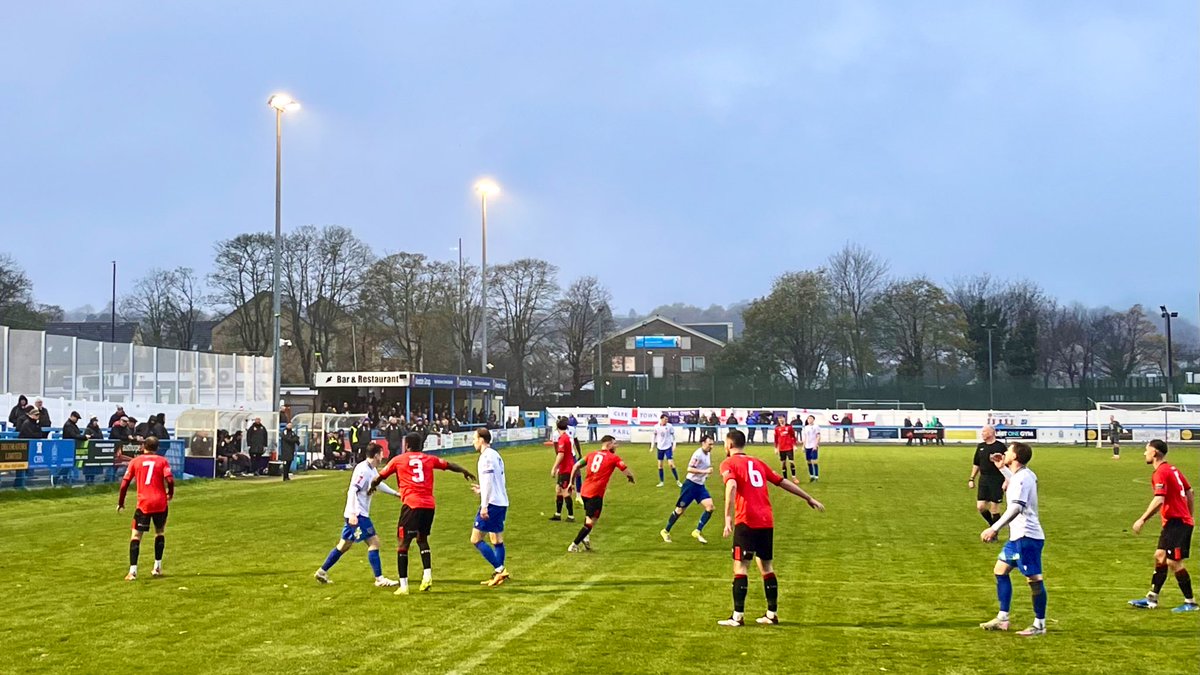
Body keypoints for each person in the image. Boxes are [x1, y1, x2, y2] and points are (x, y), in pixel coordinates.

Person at [717, 429, 824, 627]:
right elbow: (782, 482)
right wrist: (808, 497)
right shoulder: (757, 462)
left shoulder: (729, 463)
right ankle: (771, 613)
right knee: (766, 566)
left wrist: (728, 517)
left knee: (741, 566)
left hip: (746, 520)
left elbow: (731, 485)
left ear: (729, 445)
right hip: (766, 520)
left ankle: (737, 617)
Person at [370, 432, 475, 594]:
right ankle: (427, 576)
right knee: (422, 539)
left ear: (407, 445)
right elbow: (449, 465)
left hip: (411, 504)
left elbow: (380, 476)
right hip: (429, 505)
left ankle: (403, 586)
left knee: (402, 544)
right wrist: (464, 471)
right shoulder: (429, 459)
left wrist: (372, 486)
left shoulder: (399, 460)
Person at [979, 442, 1048, 636]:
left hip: (1027, 536)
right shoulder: (1024, 475)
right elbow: (1016, 482)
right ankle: (1003, 618)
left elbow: (1016, 507)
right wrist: (1002, 469)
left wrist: (994, 528)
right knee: (1000, 570)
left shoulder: (1022, 478)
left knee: (1034, 579)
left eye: (1008, 450)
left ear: (1015, 457)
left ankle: (1040, 624)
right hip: (1017, 536)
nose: (1005, 452)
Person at [314, 442, 401, 587]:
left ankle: (322, 571)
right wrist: (354, 513)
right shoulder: (363, 470)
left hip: (355, 514)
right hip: (358, 515)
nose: (383, 457)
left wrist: (395, 494)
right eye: (381, 454)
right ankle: (379, 579)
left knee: (344, 545)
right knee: (374, 542)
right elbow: (352, 490)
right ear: (376, 455)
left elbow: (378, 484)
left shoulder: (371, 469)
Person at [1128, 439, 1197, 612]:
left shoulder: (1161, 472)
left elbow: (1159, 499)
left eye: (1147, 450)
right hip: (1176, 522)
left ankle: (1190, 602)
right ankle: (1152, 599)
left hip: (1177, 522)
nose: (1144, 453)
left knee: (1174, 562)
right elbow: (1190, 492)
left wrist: (1142, 519)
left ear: (1155, 453)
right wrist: (1190, 515)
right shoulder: (1173, 469)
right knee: (1160, 556)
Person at [117, 437, 174, 580]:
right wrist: (170, 493)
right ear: (157, 448)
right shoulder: (162, 461)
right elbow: (170, 480)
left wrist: (121, 502)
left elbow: (124, 484)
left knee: (136, 536)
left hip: (144, 504)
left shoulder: (135, 462)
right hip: (160, 503)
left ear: (143, 446)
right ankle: (157, 567)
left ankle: (133, 571)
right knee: (159, 532)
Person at [568, 435, 634, 552]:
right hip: (595, 494)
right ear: (608, 444)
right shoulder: (613, 458)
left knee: (589, 516)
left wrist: (571, 483)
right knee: (591, 521)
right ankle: (574, 544)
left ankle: (586, 538)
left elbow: (576, 466)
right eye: (614, 443)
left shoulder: (591, 454)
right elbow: (624, 468)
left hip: (585, 491)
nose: (615, 446)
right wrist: (630, 477)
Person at [470, 427, 511, 587]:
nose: (473, 441)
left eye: (475, 438)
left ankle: (500, 569)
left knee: (475, 539)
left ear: (481, 440)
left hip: (492, 503)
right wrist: (482, 489)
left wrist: (484, 505)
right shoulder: (496, 455)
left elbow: (488, 481)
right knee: (496, 538)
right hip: (501, 501)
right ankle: (498, 575)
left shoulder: (485, 458)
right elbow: (498, 480)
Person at [660, 434, 716, 544]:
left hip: (700, 486)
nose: (711, 446)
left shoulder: (707, 453)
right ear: (703, 443)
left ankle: (697, 531)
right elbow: (689, 469)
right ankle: (665, 531)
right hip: (690, 486)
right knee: (680, 511)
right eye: (710, 444)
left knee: (710, 507)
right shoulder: (698, 454)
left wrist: (705, 476)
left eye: (712, 444)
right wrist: (705, 472)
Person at [970, 426, 1006, 527]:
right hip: (984, 479)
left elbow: (1007, 464)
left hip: (997, 479)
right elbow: (976, 464)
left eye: (984, 431)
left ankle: (994, 533)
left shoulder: (1000, 447)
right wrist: (971, 478)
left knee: (994, 508)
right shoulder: (980, 446)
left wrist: (1006, 480)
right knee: (981, 506)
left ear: (991, 433)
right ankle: (992, 525)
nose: (982, 433)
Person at [549, 419, 577, 521]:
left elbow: (561, 454)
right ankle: (558, 514)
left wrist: (554, 467)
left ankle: (570, 516)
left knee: (565, 491)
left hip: (566, 469)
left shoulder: (563, 439)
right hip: (564, 468)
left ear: (557, 427)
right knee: (558, 490)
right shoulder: (566, 437)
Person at [651, 413, 681, 488]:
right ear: (661, 419)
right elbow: (653, 437)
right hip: (660, 447)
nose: (666, 420)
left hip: (668, 447)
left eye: (667, 419)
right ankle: (661, 482)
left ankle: (678, 481)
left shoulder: (670, 426)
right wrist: (652, 446)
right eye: (665, 419)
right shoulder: (656, 427)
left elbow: (673, 437)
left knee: (671, 464)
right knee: (660, 465)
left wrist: (674, 445)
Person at [773, 415, 797, 482]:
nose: (780, 419)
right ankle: (785, 478)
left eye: (782, 418)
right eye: (779, 418)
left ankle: (794, 477)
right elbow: (776, 439)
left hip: (789, 447)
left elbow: (793, 437)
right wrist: (775, 448)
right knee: (783, 463)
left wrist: (794, 445)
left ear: (784, 418)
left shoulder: (789, 427)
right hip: (781, 448)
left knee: (791, 462)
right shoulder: (777, 428)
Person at [801, 415, 821, 482]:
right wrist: (803, 446)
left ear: (813, 419)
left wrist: (816, 445)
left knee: (814, 461)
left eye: (811, 418)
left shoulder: (816, 427)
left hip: (813, 446)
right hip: (807, 446)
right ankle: (811, 476)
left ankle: (816, 476)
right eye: (808, 418)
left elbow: (818, 436)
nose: (809, 419)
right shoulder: (806, 427)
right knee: (808, 461)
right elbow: (805, 437)